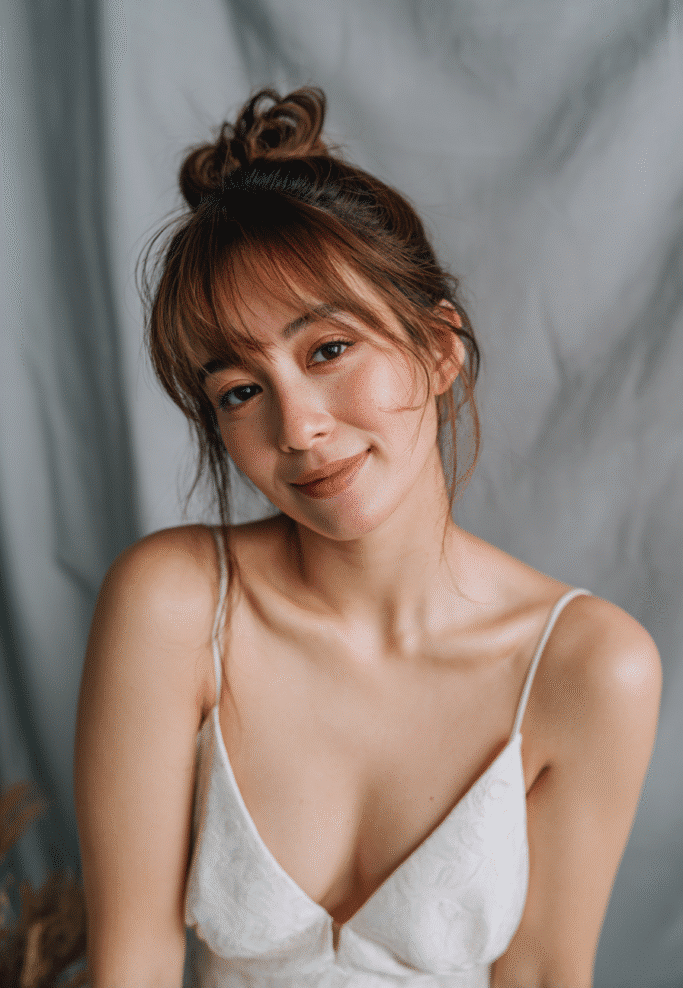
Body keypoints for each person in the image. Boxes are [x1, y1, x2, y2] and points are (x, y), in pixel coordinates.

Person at [74, 87, 662, 988]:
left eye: (327, 351)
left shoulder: (587, 666)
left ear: (435, 348)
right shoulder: (174, 604)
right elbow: (132, 964)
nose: (298, 428)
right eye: (240, 391)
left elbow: (545, 973)